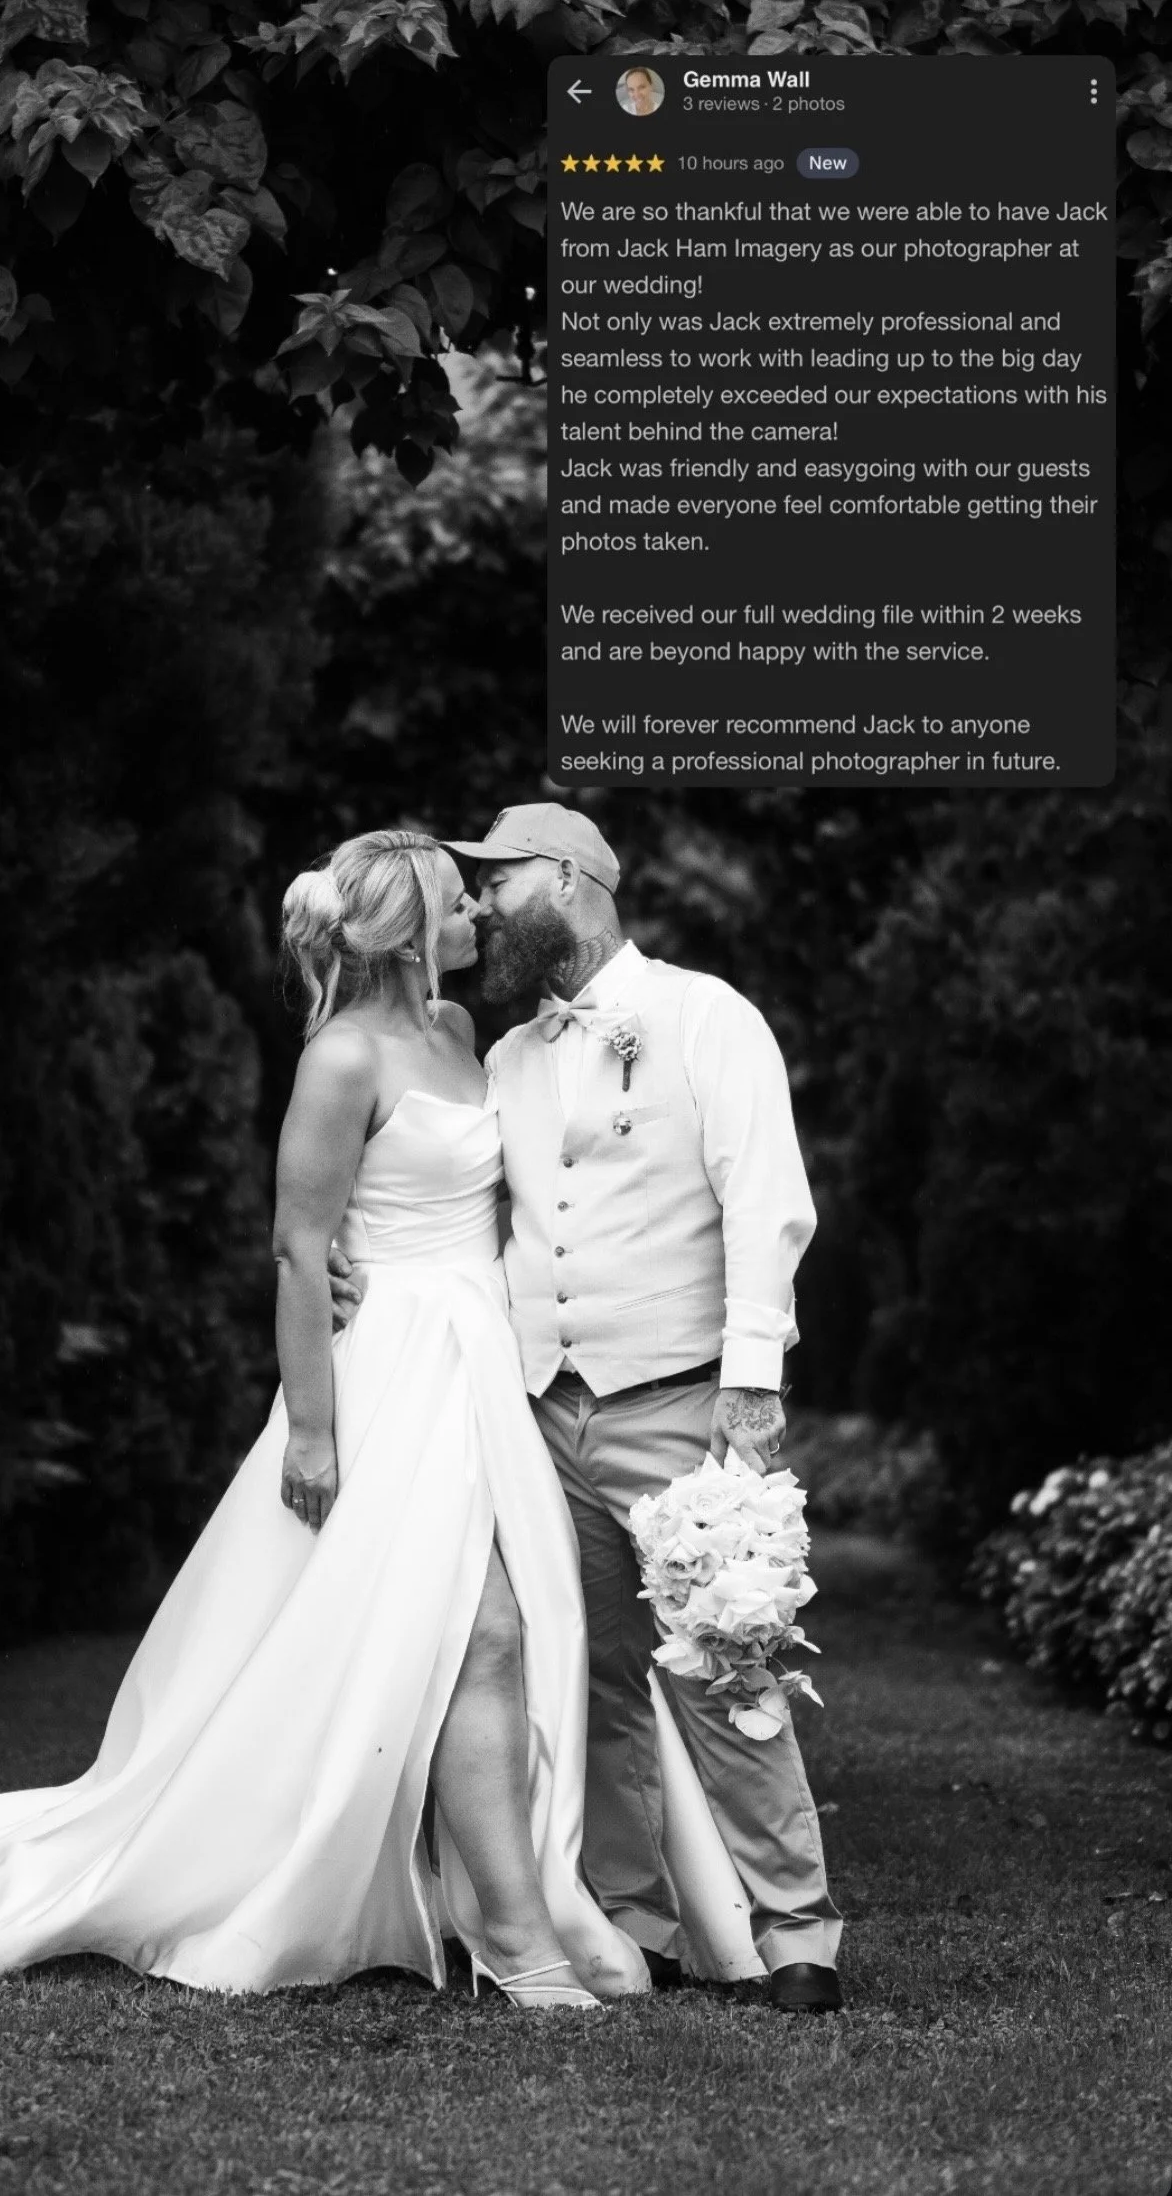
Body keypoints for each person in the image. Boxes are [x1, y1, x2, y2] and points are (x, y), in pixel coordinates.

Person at [0, 831, 650, 2007]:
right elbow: (297, 1247)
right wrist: (314, 1431)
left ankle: (507, 1901)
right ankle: (521, 1931)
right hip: (390, 1374)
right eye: (456, 901)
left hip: (479, 1362)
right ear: (408, 929)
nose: (478, 915)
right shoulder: (341, 1056)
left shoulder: (459, 1031)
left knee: (482, 1632)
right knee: (479, 1629)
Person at [336, 805, 843, 2012]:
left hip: (677, 1400)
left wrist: (751, 1385)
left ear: (567, 878)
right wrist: (358, 1260)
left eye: (499, 881)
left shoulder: (707, 1016)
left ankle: (798, 1929)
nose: (480, 906)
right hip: (535, 1414)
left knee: (728, 1665)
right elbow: (454, 1203)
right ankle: (634, 1916)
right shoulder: (503, 1057)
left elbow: (765, 1199)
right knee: (593, 1676)